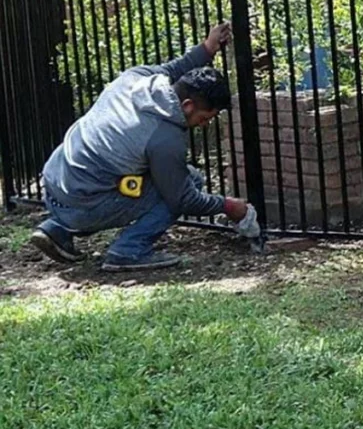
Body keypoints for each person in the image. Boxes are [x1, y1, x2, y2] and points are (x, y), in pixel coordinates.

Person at [31, 23, 255, 272]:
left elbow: (176, 69)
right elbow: (184, 199)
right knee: (190, 181)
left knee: (114, 175)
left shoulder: (136, 78)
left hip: (53, 185)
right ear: (188, 105)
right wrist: (229, 206)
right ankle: (128, 251)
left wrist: (207, 48)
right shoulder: (164, 138)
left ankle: (58, 229)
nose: (203, 126)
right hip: (83, 203)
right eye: (204, 118)